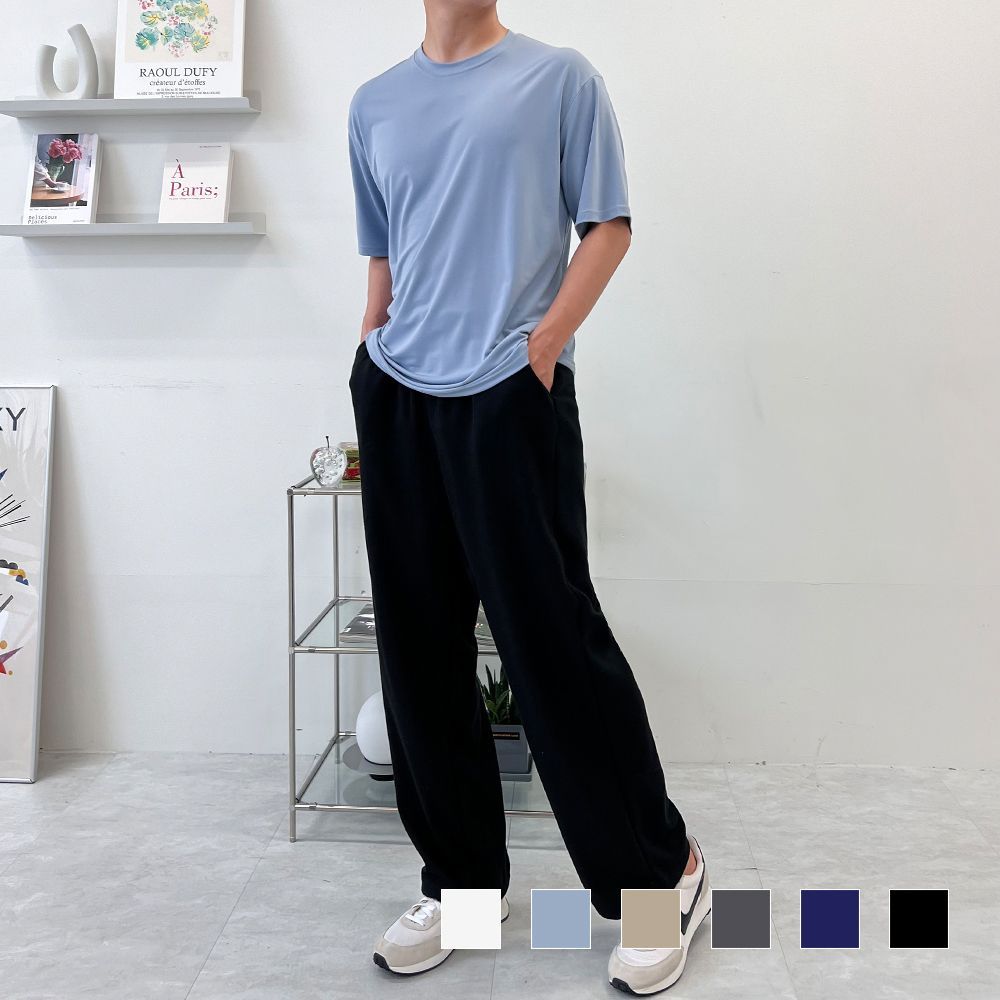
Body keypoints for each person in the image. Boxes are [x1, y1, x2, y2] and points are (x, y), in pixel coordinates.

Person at [347, 2, 711, 993]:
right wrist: (369, 358)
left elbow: (608, 225)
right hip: (401, 396)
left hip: (511, 394)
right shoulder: (374, 104)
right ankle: (464, 889)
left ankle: (659, 880)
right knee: (420, 654)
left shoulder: (558, 79)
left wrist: (540, 348)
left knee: (553, 647)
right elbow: (384, 252)